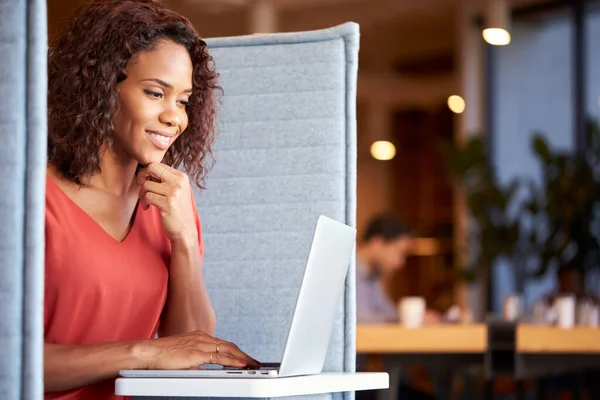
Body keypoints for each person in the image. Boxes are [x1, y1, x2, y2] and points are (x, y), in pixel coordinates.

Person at [44, 1, 259, 399]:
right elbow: (9, 362)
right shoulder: (33, 203)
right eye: (156, 92)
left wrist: (186, 243)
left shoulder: (171, 202)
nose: (174, 117)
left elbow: (189, 348)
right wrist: (142, 352)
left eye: (183, 101)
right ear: (102, 88)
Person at [356, 213, 440, 324]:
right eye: (400, 253)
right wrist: (402, 320)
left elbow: (388, 313)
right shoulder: (346, 273)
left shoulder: (371, 277)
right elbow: (357, 321)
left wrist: (414, 317)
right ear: (377, 243)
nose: (401, 263)